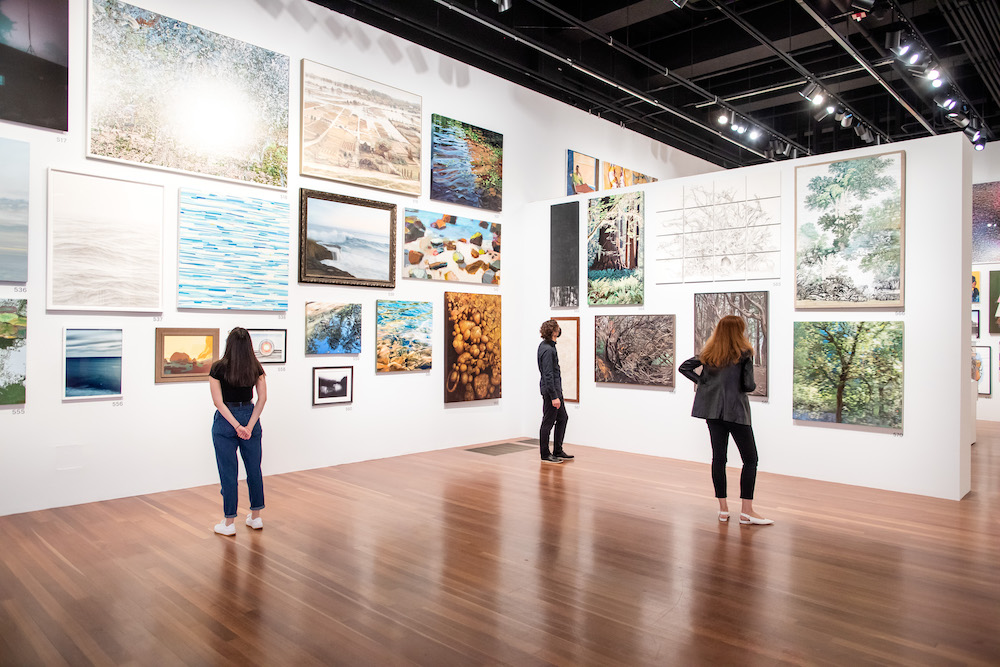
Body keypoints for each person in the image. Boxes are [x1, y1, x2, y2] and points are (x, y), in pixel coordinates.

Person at [678, 315, 772, 526]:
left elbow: (684, 367)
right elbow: (748, 386)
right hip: (736, 412)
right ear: (739, 331)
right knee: (750, 460)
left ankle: (723, 510)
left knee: (719, 459)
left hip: (713, 413)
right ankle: (747, 511)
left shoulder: (709, 353)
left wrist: (704, 383)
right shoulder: (745, 353)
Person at [209, 327, 267, 535]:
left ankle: (229, 522)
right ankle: (256, 517)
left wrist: (236, 426)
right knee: (254, 469)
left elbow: (218, 403)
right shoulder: (256, 367)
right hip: (250, 416)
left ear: (229, 344)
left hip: (226, 421)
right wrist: (249, 426)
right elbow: (262, 399)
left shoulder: (218, 368)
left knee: (228, 472)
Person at [538, 319, 573, 463]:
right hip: (551, 392)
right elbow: (548, 374)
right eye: (558, 328)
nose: (559, 331)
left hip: (555, 391)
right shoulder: (547, 349)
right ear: (553, 331)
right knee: (548, 422)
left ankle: (558, 450)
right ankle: (545, 454)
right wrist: (554, 396)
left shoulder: (549, 346)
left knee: (562, 418)